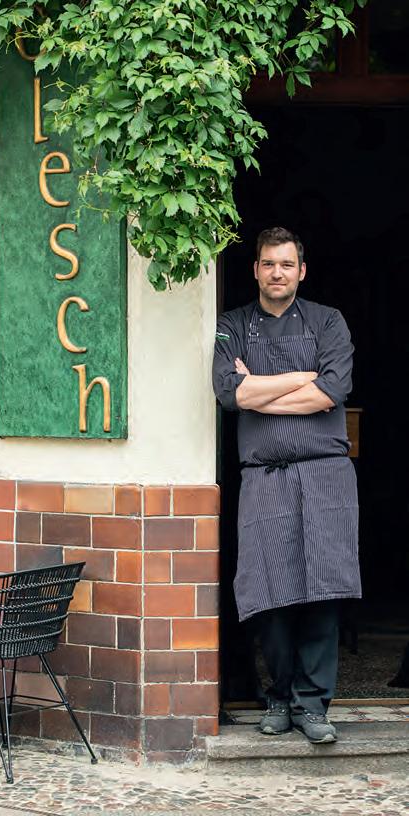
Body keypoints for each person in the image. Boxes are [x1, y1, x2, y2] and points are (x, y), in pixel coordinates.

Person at [213, 226, 361, 744]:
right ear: (255, 270)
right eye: (269, 264)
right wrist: (303, 378)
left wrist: (260, 391)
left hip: (325, 476)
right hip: (264, 478)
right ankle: (278, 697)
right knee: (269, 595)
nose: (278, 273)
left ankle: (312, 706)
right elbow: (229, 393)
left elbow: (333, 389)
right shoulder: (231, 325)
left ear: (302, 271)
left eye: (287, 264)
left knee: (323, 591)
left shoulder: (328, 321)